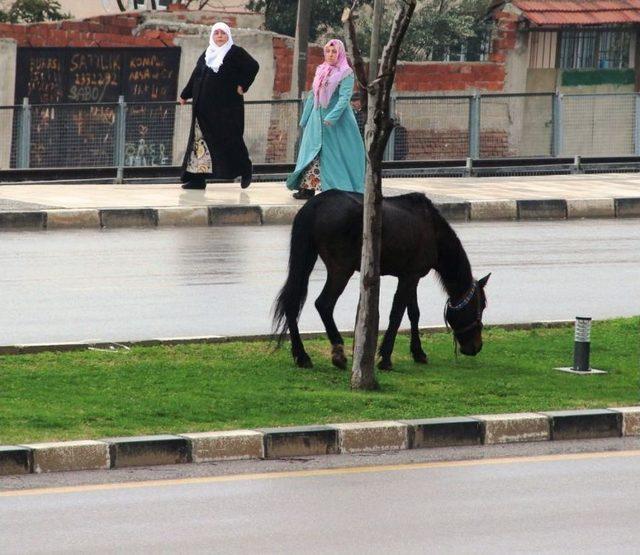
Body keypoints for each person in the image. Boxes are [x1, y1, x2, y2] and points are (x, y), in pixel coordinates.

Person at [179, 22, 259, 190]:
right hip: (203, 111)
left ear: (228, 36)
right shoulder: (207, 54)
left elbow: (253, 66)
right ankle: (197, 178)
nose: (220, 36)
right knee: (200, 143)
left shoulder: (235, 53)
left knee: (231, 139)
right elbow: (196, 76)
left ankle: (245, 169)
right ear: (212, 36)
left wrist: (243, 85)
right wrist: (185, 94)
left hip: (226, 110)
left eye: (223, 33)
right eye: (217, 33)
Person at [286, 39, 365, 200]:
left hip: (337, 123)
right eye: (328, 51)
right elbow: (313, 95)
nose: (330, 55)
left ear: (340, 53)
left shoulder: (346, 73)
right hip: (317, 120)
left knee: (333, 155)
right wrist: (305, 118)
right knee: (311, 153)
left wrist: (332, 117)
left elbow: (344, 99)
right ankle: (307, 189)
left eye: (334, 51)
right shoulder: (321, 70)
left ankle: (337, 189)